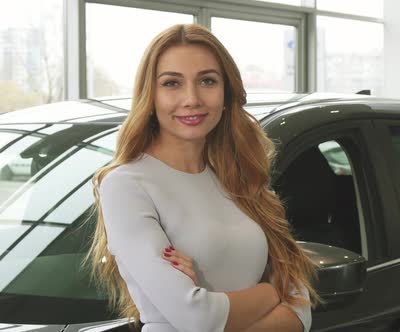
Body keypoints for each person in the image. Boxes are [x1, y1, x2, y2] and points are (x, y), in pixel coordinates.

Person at [85, 23, 320, 332]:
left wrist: (218, 308)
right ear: (150, 96)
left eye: (207, 81)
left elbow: (300, 310)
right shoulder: (126, 185)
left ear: (226, 93)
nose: (192, 98)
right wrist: (271, 293)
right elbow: (198, 318)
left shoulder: (239, 179)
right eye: (172, 83)